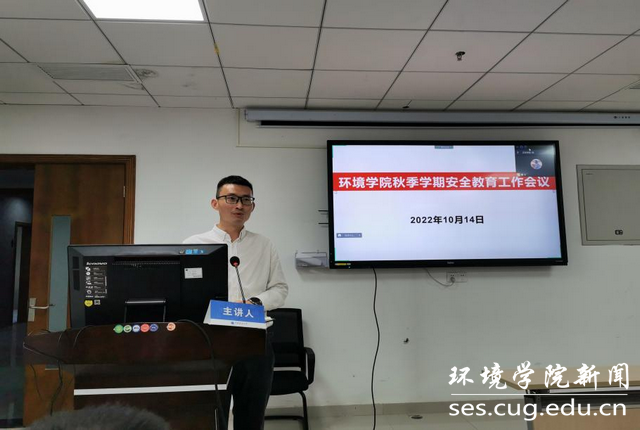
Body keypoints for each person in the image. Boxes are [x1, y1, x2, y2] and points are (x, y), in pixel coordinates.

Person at [183, 175, 288, 430]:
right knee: (211, 413)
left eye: (246, 200)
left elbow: (280, 288)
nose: (239, 205)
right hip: (209, 339)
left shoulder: (264, 245)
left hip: (255, 338)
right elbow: (182, 293)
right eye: (231, 198)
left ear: (253, 206)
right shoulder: (193, 245)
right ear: (215, 203)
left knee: (252, 413)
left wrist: (255, 301)